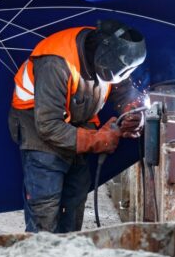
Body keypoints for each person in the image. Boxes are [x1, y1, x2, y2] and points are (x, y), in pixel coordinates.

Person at [8, 20, 148, 233]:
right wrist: (97, 140)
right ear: (103, 58)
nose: (124, 74)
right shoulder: (55, 63)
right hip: (38, 126)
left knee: (75, 198)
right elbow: (48, 125)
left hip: (76, 118)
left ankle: (68, 256)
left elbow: (123, 89)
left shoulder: (109, 52)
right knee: (46, 204)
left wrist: (133, 111)